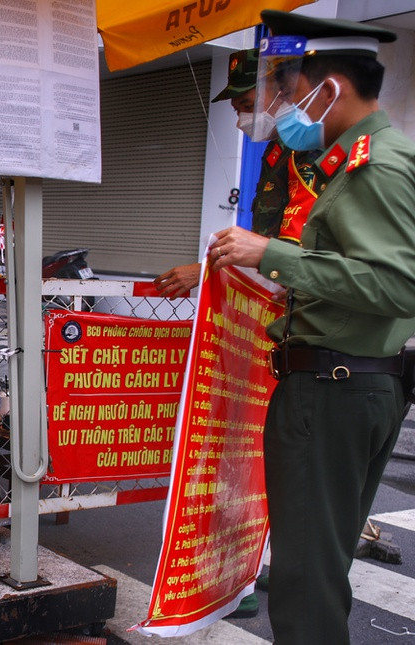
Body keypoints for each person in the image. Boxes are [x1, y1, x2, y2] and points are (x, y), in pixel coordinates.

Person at [209, 11, 415, 644]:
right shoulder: (363, 159)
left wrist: (270, 255)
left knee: (305, 581)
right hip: (350, 380)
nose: (287, 107)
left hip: (334, 387)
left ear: (332, 88)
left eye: (295, 92)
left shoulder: (374, 166)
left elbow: (394, 284)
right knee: (320, 569)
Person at [153, 49, 319, 300]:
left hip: (300, 295)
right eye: (237, 109)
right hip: (274, 294)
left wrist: (206, 270)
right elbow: (267, 238)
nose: (242, 118)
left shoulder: (307, 147)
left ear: (283, 91)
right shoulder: (277, 149)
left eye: (248, 105)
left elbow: (295, 246)